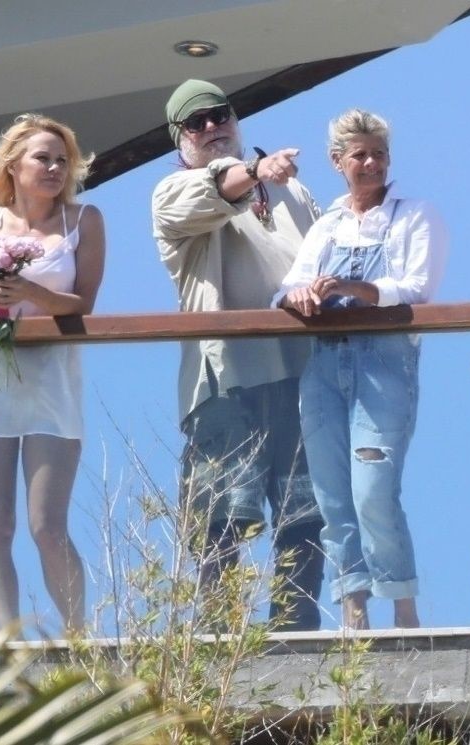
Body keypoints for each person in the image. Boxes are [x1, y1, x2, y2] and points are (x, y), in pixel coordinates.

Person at [151, 79, 325, 631]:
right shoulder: (171, 192)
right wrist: (255, 170)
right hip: (225, 380)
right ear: (179, 138)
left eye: (218, 115)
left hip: (303, 374)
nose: (210, 128)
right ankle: (217, 643)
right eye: (195, 123)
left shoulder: (294, 193)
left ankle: (296, 642)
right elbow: (217, 188)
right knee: (221, 520)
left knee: (305, 516)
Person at [274, 109, 448, 630]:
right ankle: (354, 609)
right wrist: (300, 295)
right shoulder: (328, 225)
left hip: (383, 365)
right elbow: (286, 286)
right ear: (338, 162)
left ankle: (403, 609)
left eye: (379, 154)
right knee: (331, 491)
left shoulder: (414, 215)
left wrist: (350, 288)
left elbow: (417, 288)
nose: (371, 164)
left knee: (373, 488)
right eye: (360, 155)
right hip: (324, 364)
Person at [0, 114, 105, 634]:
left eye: (63, 160)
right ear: (13, 165)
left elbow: (83, 302)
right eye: (43, 158)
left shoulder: (84, 221)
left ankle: (79, 637)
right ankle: (9, 641)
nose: (55, 168)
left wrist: (30, 293)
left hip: (52, 383)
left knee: (47, 524)